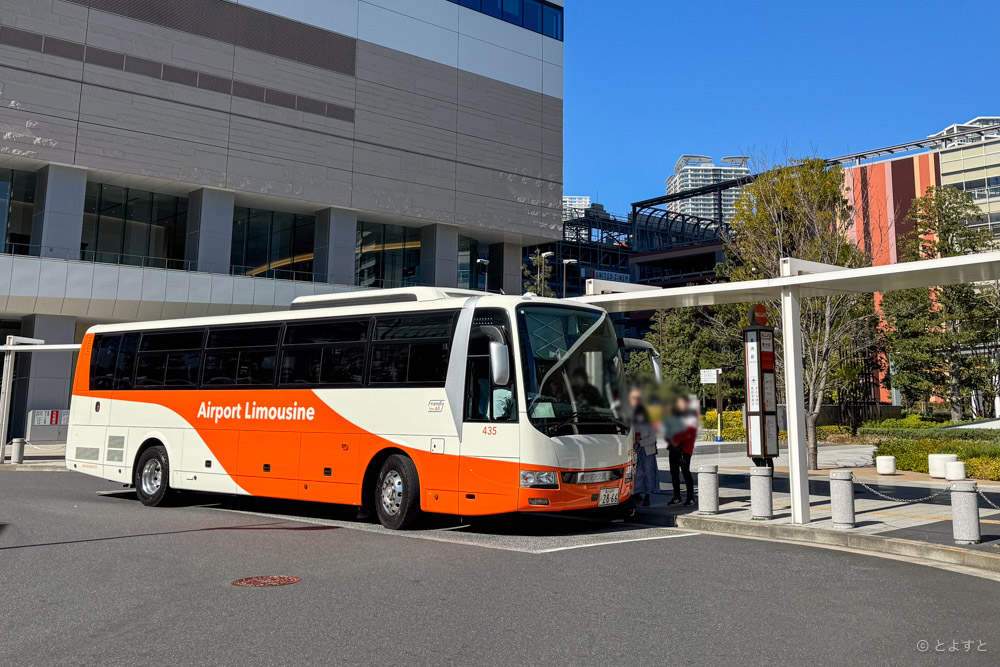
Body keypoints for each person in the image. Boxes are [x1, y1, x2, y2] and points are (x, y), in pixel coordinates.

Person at [667, 395, 698, 507]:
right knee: (674, 474)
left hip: (684, 449)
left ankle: (690, 498)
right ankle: (677, 497)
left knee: (685, 473)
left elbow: (689, 434)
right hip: (673, 448)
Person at [629, 389, 657, 506]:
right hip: (635, 450)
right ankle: (636, 493)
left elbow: (653, 437)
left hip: (647, 450)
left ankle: (647, 495)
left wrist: (641, 441)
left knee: (648, 473)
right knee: (636, 473)